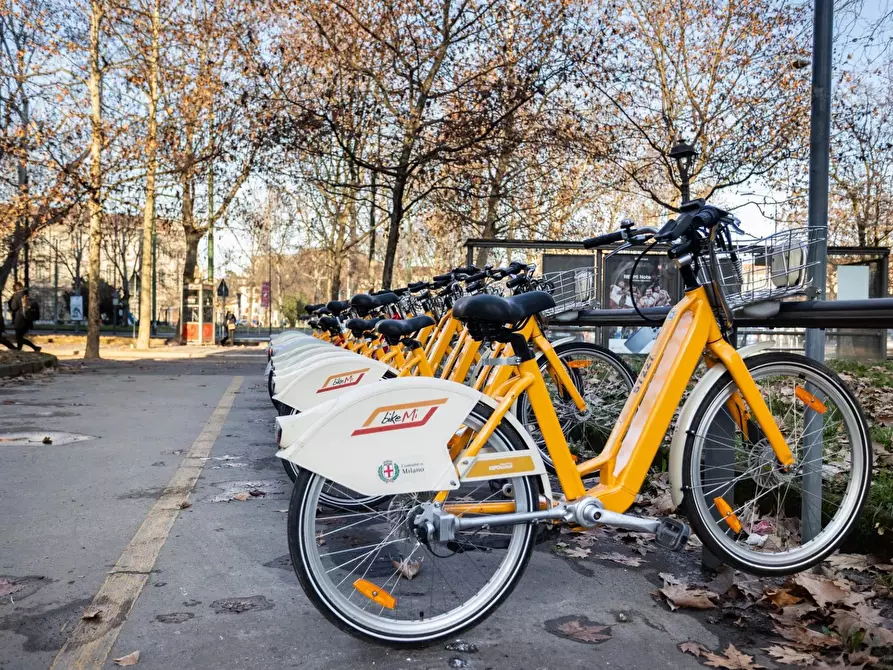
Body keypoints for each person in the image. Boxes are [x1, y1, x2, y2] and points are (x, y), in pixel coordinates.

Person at [8, 282, 40, 352]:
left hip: (19, 320)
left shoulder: (16, 296)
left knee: (19, 338)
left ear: (15, 289)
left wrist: (12, 300)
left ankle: (35, 347)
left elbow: (13, 307)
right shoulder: (25, 295)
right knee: (19, 337)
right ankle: (19, 349)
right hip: (27, 319)